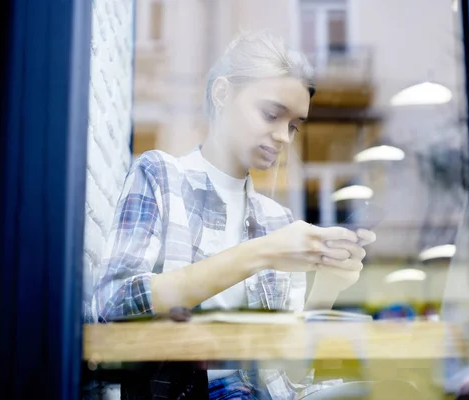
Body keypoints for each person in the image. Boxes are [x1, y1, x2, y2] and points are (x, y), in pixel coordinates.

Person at [93, 31, 376, 399]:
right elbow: (113, 304)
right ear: (222, 94)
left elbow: (291, 372)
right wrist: (262, 253)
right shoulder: (160, 175)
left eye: (293, 126)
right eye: (271, 114)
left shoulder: (279, 220)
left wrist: (330, 285)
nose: (284, 137)